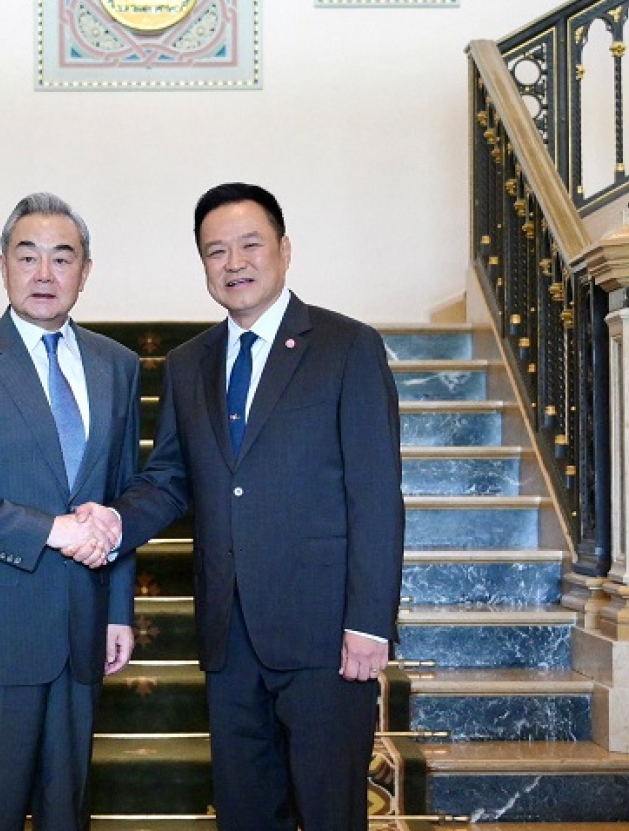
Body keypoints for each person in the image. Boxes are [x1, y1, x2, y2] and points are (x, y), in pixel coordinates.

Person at [70, 183, 405, 830]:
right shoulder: (188, 363)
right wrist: (114, 521)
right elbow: (170, 478)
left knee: (331, 813)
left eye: (250, 244)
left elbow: (375, 493)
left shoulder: (345, 347)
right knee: (247, 813)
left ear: (284, 250)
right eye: (215, 251)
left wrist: (369, 621)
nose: (234, 262)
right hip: (229, 635)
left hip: (325, 635)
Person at [0, 193, 138, 831]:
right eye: (28, 256)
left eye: (62, 259)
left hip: (83, 625)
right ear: (4, 266)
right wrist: (55, 530)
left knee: (70, 814)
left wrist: (119, 608)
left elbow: (122, 497)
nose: (45, 274)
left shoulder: (116, 366)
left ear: (85, 271)